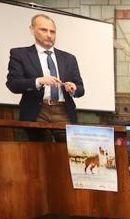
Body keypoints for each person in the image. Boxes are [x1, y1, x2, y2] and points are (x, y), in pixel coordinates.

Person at [6, 13, 84, 141]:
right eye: (44, 30)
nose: (49, 35)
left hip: (63, 110)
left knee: (67, 153)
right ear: (32, 30)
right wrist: (39, 81)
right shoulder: (20, 54)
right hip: (36, 110)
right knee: (38, 154)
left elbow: (81, 89)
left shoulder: (69, 58)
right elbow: (13, 84)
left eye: (52, 31)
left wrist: (74, 88)